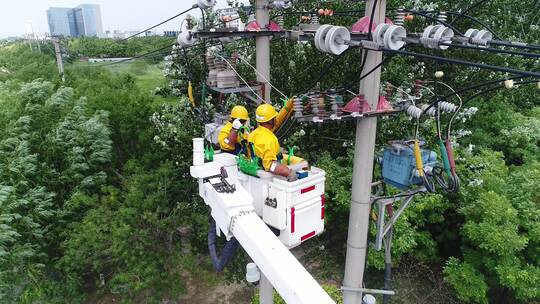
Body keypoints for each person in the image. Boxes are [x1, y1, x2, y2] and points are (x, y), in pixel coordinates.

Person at [248, 100, 297, 181]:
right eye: (274, 118)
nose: (276, 119)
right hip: (268, 178)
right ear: (270, 120)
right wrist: (288, 173)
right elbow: (270, 165)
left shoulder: (253, 134)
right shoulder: (269, 139)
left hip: (255, 172)